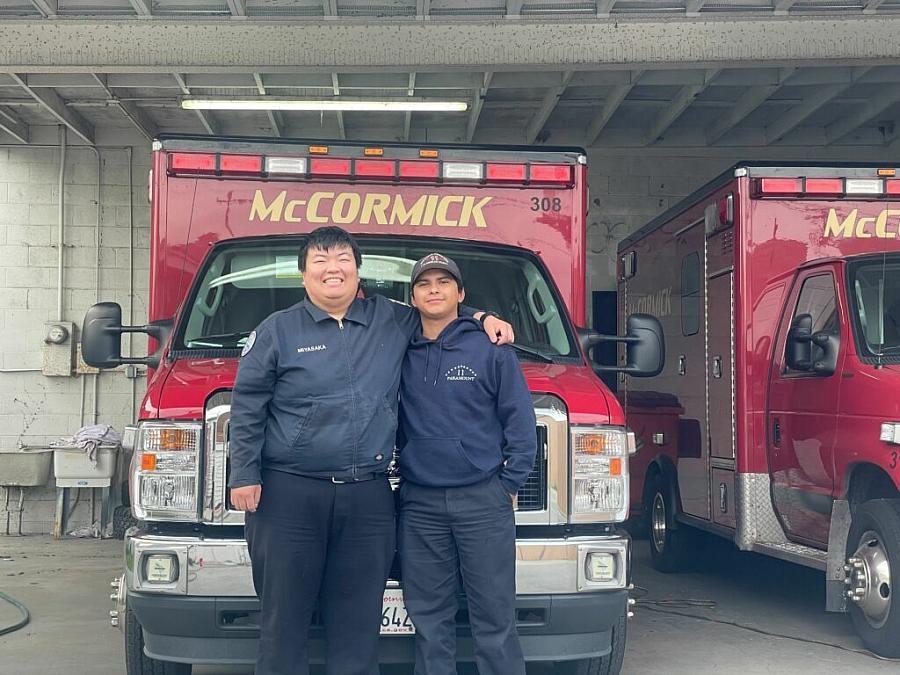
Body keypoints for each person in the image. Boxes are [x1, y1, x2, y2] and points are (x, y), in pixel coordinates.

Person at [227, 227, 513, 675]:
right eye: (320, 261)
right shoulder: (278, 331)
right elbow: (247, 405)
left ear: (358, 272)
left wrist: (481, 318)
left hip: (367, 499)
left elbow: (436, 306)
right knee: (283, 623)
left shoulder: (389, 318)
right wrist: (244, 473)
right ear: (303, 274)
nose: (332, 268)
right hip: (289, 496)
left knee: (358, 625)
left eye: (342, 258)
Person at [396, 253, 537, 675]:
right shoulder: (399, 346)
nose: (434, 290)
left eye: (444, 282)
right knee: (428, 621)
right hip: (420, 505)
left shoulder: (491, 349)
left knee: (494, 620)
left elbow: (521, 423)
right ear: (413, 297)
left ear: (460, 293)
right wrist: (481, 313)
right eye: (424, 284)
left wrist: (507, 485)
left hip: (483, 501)